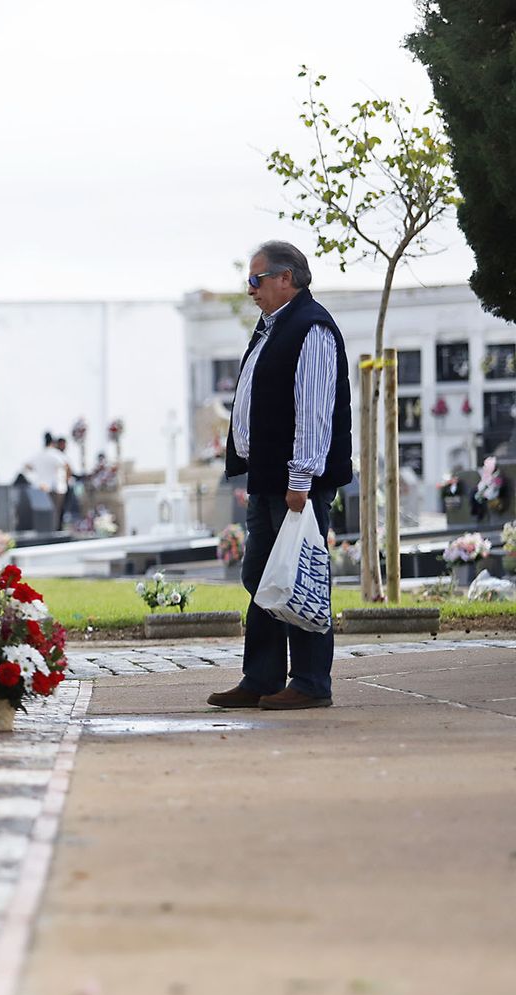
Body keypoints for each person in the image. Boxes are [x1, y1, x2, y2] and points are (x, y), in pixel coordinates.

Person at [209, 241, 352, 711]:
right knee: (264, 575)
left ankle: (311, 683)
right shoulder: (272, 327)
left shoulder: (311, 329)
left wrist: (301, 479)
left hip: (295, 482)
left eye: (256, 279)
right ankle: (262, 678)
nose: (250, 290)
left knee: (300, 575)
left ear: (285, 278)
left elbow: (314, 412)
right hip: (268, 478)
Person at [27, 432, 69, 529]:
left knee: (41, 512)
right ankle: (54, 530)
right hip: (54, 488)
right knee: (55, 512)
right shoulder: (56, 454)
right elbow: (65, 466)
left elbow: (28, 466)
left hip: (40, 487)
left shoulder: (39, 455)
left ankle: (44, 529)